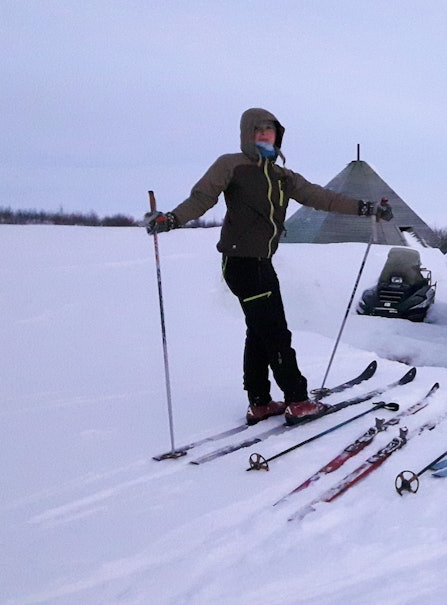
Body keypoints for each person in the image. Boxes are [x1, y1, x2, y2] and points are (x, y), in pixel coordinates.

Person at [143, 107, 392, 426]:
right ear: (247, 133)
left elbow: (322, 197)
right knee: (275, 332)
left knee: (259, 331)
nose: (264, 134)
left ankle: (260, 402)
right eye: (257, 129)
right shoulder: (231, 165)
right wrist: (171, 220)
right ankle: (298, 400)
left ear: (278, 135)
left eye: (270, 130)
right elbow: (202, 197)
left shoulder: (282, 176)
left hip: (263, 262)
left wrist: (365, 208)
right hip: (242, 263)